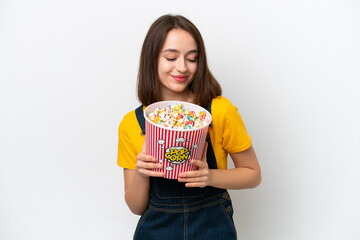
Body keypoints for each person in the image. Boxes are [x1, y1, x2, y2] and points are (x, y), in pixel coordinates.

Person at [117, 14, 261, 240]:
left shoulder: (220, 111)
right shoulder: (133, 123)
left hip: (212, 227)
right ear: (151, 59)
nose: (182, 67)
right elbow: (136, 207)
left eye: (192, 58)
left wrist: (209, 177)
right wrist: (141, 173)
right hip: (157, 230)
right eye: (171, 57)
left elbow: (253, 175)